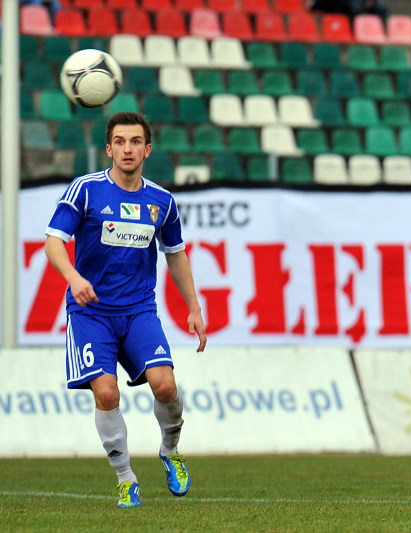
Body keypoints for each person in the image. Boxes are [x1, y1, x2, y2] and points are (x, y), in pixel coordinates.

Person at [44, 111, 208, 508]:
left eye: (135, 142)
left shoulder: (162, 202)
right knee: (106, 392)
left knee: (165, 386)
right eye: (119, 141)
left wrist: (194, 307)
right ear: (108, 149)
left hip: (138, 311)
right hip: (91, 313)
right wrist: (74, 278)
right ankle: (125, 478)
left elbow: (175, 253)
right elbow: (53, 241)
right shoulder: (85, 190)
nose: (127, 149)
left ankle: (170, 452)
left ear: (147, 149)